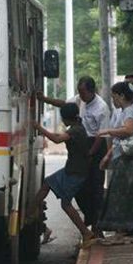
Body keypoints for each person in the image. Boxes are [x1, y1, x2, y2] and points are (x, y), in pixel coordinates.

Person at [38, 77, 110, 237]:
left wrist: (91, 153)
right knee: (81, 189)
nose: (81, 95)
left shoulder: (101, 107)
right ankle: (90, 219)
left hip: (95, 146)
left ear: (92, 91)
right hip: (82, 146)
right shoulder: (79, 101)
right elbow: (64, 104)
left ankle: (97, 228)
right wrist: (44, 99)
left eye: (83, 92)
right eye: (79, 92)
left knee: (96, 188)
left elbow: (101, 135)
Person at [32, 103, 96, 248]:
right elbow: (58, 136)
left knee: (65, 204)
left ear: (66, 118)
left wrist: (38, 128)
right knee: (48, 183)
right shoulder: (76, 128)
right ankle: (32, 212)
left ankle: (86, 233)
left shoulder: (77, 130)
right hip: (72, 169)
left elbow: (57, 139)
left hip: (76, 172)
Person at [96, 81, 133, 243]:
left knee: (123, 195)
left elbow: (129, 130)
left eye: (114, 97)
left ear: (121, 96)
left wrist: (108, 131)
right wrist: (108, 155)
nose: (113, 100)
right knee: (121, 195)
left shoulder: (129, 111)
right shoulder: (124, 111)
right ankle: (125, 229)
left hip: (127, 160)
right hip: (120, 156)